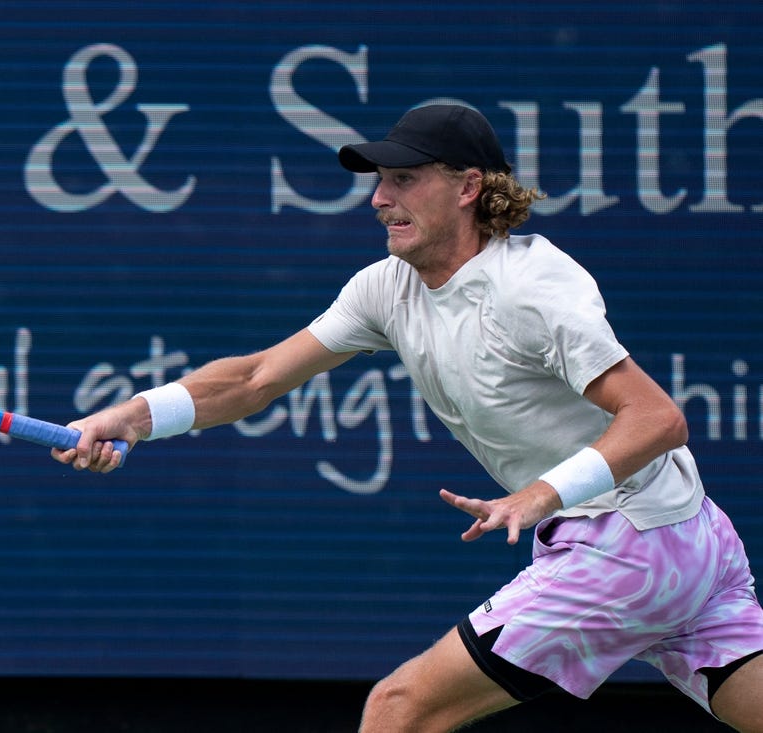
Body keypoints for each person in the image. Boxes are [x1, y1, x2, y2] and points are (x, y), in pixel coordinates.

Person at [50, 104, 763, 732]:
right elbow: (255, 377)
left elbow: (659, 418)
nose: (379, 198)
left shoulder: (534, 287)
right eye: (378, 181)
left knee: (401, 708)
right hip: (693, 538)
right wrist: (134, 415)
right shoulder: (385, 287)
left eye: (403, 179)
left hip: (626, 544)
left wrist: (541, 495)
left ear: (468, 187)